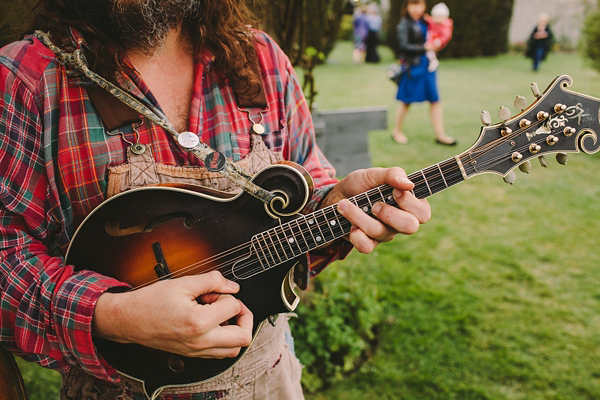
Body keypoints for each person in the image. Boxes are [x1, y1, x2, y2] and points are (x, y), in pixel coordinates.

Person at [0, 0, 431, 399]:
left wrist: (336, 204)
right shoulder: (28, 79)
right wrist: (111, 316)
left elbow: (302, 202)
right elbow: (6, 257)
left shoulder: (260, 59)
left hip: (270, 383)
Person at [392, 0, 456, 146]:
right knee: (406, 100)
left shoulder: (428, 21)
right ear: (407, 6)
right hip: (412, 67)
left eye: (419, 4)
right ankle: (397, 131)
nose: (416, 9)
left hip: (428, 67)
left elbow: (439, 36)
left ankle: (440, 134)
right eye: (413, 4)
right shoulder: (404, 23)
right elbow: (403, 46)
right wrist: (425, 47)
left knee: (435, 100)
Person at [424, 2, 453, 73]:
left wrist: (440, 41)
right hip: (431, 38)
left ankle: (433, 60)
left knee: (430, 50)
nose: (438, 19)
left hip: (437, 41)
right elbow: (429, 20)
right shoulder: (433, 21)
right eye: (436, 16)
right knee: (429, 48)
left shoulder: (446, 25)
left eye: (440, 16)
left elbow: (446, 35)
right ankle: (432, 59)